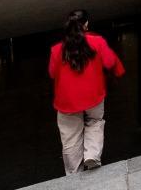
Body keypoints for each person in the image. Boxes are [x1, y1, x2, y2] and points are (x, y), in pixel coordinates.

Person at [49, 10, 125, 175]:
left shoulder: (56, 50)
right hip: (93, 95)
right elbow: (110, 61)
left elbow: (52, 73)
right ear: (86, 25)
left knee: (70, 136)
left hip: (67, 101)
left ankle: (73, 172)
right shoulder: (97, 42)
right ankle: (91, 154)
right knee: (95, 122)